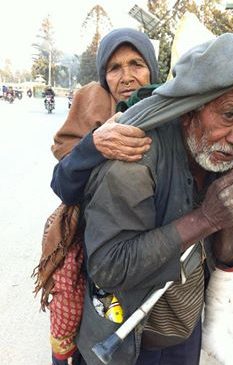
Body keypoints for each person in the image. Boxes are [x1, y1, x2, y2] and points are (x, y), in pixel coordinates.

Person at [73, 22, 233, 365]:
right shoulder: (135, 158)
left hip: (186, 339)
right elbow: (108, 268)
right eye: (230, 114)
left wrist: (231, 216)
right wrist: (206, 218)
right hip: (126, 348)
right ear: (190, 108)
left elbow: (231, 256)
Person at [33, 28, 159, 365]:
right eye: (114, 68)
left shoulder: (176, 112)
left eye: (137, 63)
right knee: (101, 335)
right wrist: (94, 145)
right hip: (101, 261)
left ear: (153, 68)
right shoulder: (94, 113)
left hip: (162, 263)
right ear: (104, 75)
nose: (127, 76)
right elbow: (63, 184)